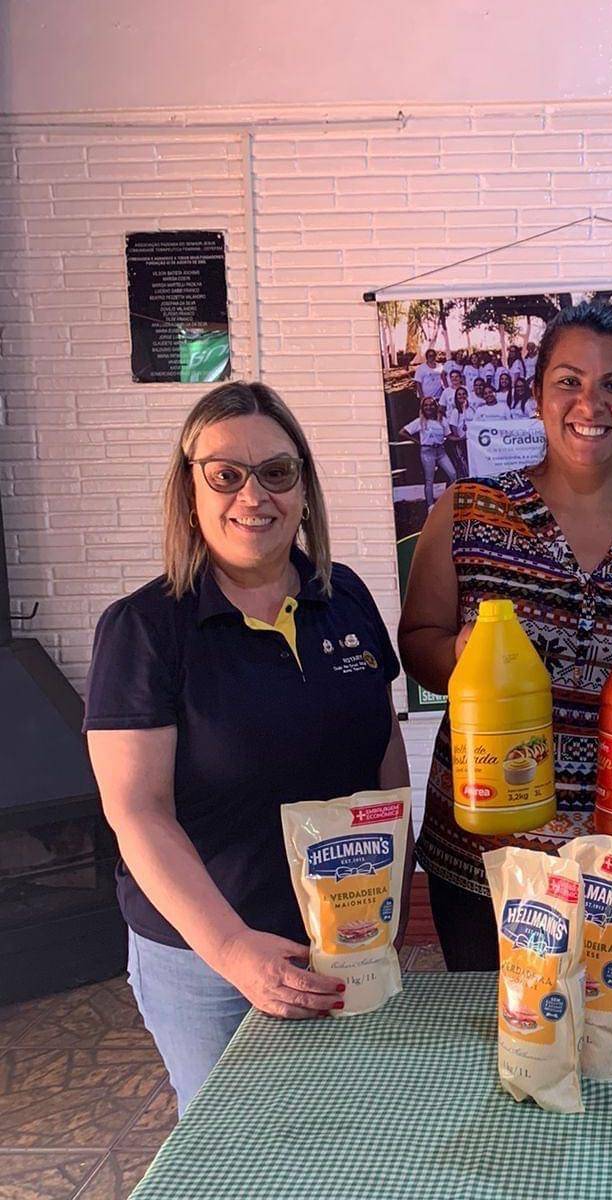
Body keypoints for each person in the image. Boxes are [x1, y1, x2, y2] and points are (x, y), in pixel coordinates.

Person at [83, 381, 410, 1113]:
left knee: (350, 1122)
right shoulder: (143, 629)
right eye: (226, 474)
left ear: (304, 489)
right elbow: (137, 812)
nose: (253, 496)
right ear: (189, 490)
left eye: (276, 472)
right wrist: (232, 949)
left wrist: (389, 901)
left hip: (350, 935)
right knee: (236, 1144)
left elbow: (383, 750)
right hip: (209, 960)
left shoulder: (345, 595)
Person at [398, 302, 612, 971]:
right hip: (487, 858)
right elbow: (419, 642)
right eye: (569, 381)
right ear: (538, 394)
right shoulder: (466, 510)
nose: (590, 404)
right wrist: (458, 656)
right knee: (497, 1028)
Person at [401, 396, 457, 512]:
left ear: (435, 406)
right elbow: (403, 432)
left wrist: (463, 438)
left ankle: (446, 499)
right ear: (422, 408)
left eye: (431, 405)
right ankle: (430, 506)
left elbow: (448, 435)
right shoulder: (420, 421)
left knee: (453, 474)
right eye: (426, 405)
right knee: (429, 479)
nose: (429, 407)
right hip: (428, 452)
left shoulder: (441, 420)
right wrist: (418, 441)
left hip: (440, 451)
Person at [446, 386, 472, 478]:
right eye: (459, 394)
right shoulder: (455, 411)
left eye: (464, 394)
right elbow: (453, 427)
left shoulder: (471, 409)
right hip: (462, 441)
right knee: (464, 464)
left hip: (472, 442)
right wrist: (459, 439)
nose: (462, 396)